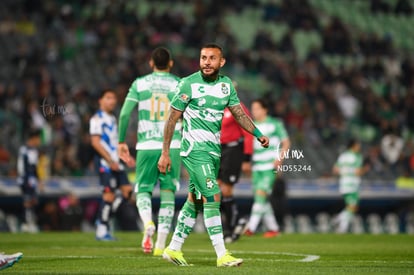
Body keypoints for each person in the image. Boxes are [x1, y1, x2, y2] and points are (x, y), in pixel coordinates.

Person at [158, 43, 269, 267]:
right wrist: (165, 153)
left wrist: (258, 133)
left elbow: (239, 114)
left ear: (221, 62)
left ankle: (174, 248)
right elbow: (172, 119)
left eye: (211, 58)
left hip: (213, 151)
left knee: (195, 200)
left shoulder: (226, 86)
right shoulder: (187, 84)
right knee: (213, 195)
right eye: (203, 58)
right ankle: (222, 254)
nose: (206, 62)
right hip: (194, 151)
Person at [118, 47, 181, 255]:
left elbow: (125, 114)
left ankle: (147, 223)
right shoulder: (179, 84)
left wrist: (121, 142)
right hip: (172, 145)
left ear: (151, 63)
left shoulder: (140, 83)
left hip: (146, 146)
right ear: (170, 64)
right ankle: (161, 245)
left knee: (143, 189)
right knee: (168, 192)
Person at [90, 90, 134, 241]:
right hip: (106, 163)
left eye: (114, 98)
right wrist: (109, 161)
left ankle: (103, 217)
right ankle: (102, 229)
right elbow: (95, 142)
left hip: (116, 162)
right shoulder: (97, 119)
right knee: (108, 195)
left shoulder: (113, 118)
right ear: (100, 100)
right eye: (108, 97)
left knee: (128, 192)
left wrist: (125, 157)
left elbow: (116, 142)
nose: (112, 101)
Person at [244, 98, 290, 237]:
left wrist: (280, 159)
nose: (254, 111)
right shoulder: (252, 126)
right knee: (262, 199)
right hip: (257, 166)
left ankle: (250, 227)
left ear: (265, 109)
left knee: (260, 195)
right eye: (253, 109)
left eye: (257, 108)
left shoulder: (275, 124)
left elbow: (286, 142)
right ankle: (274, 229)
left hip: (269, 166)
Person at [218, 101, 253, 243]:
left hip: (233, 150)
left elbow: (248, 131)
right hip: (217, 149)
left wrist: (246, 158)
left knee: (226, 189)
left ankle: (229, 229)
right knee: (214, 189)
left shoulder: (236, 106)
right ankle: (238, 221)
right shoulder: (214, 105)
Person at [332, 139, 368, 233]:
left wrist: (344, 171)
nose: (359, 147)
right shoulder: (357, 156)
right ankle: (339, 221)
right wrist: (365, 169)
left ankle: (341, 224)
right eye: (358, 145)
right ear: (353, 146)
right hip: (352, 183)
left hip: (343, 183)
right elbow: (358, 172)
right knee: (352, 206)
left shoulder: (342, 156)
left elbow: (335, 170)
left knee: (351, 207)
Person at [17, 128, 43, 233]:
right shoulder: (24, 149)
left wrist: (39, 180)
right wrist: (23, 178)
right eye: (39, 139)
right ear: (34, 138)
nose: (39, 141)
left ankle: (30, 222)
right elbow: (21, 165)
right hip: (26, 178)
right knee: (27, 201)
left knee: (33, 201)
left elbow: (35, 167)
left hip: (32, 179)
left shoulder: (35, 150)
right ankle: (26, 223)